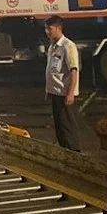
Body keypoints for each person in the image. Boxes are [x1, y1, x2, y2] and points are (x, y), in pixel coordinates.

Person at [44, 15, 81, 151]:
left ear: (59, 28)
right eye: (46, 29)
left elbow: (73, 70)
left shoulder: (68, 46)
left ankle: (74, 152)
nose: (47, 31)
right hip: (55, 92)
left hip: (64, 92)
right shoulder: (53, 46)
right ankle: (64, 150)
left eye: (50, 28)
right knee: (59, 125)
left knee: (67, 125)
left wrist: (70, 93)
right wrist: (48, 90)